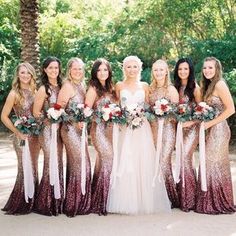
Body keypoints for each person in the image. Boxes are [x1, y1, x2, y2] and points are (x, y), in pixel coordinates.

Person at [107, 55, 171, 214]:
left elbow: (148, 106)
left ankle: (144, 200)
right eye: (128, 66)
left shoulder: (145, 86)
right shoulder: (119, 85)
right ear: (124, 68)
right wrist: (119, 116)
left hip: (142, 128)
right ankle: (126, 201)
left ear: (140, 68)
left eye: (135, 66)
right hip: (125, 128)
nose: (132, 70)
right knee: (126, 159)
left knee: (142, 160)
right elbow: (116, 106)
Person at [195, 57, 235, 214]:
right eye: (205, 68)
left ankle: (217, 203)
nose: (207, 70)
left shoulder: (220, 84)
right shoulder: (209, 85)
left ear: (217, 69)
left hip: (219, 130)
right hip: (211, 129)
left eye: (210, 68)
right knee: (210, 163)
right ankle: (210, 201)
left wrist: (210, 124)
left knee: (214, 164)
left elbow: (231, 109)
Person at [1, 62, 40, 214]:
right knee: (24, 168)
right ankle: (20, 202)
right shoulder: (14, 93)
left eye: (28, 73)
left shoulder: (36, 91)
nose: (25, 75)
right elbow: (4, 116)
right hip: (22, 136)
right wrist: (17, 131)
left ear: (32, 75)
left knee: (34, 167)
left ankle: (33, 201)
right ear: (18, 75)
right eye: (22, 72)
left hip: (35, 136)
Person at [57, 58, 91, 217]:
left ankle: (78, 201)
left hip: (80, 130)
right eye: (75, 69)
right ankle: (74, 204)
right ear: (69, 70)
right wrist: (75, 120)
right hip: (70, 130)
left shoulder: (82, 86)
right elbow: (59, 111)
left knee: (80, 163)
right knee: (80, 163)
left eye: (80, 69)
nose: (78, 71)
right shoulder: (68, 86)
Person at [33, 56, 64, 216]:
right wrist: (50, 118)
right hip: (47, 131)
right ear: (45, 70)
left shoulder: (62, 86)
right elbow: (36, 112)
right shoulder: (43, 89)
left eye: (56, 68)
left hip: (60, 131)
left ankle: (57, 202)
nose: (53, 70)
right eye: (50, 68)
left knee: (58, 161)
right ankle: (45, 202)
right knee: (50, 160)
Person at [85, 58, 116, 215]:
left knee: (103, 162)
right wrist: (102, 114)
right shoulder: (93, 89)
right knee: (108, 158)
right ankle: (101, 202)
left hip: (111, 131)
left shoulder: (111, 87)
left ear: (109, 71)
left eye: (105, 70)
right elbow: (86, 112)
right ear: (95, 72)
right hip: (98, 131)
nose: (102, 73)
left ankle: (102, 198)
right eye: (99, 70)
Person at [149, 59, 180, 208]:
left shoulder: (171, 89)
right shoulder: (150, 89)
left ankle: (171, 197)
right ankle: (157, 196)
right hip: (153, 130)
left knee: (164, 161)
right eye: (156, 70)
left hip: (167, 131)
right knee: (154, 161)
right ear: (152, 72)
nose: (159, 73)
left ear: (166, 71)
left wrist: (164, 113)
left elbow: (177, 114)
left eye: (161, 70)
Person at [173, 57, 201, 212]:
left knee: (185, 158)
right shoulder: (174, 88)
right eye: (180, 69)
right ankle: (181, 196)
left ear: (190, 70)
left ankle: (190, 199)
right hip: (178, 130)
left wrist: (189, 123)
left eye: (186, 69)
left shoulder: (195, 88)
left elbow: (201, 111)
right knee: (180, 159)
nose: (183, 72)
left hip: (191, 129)